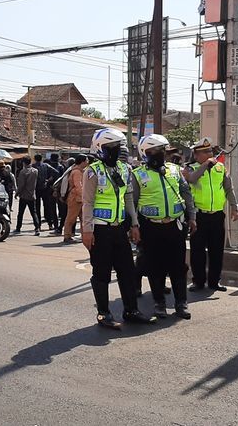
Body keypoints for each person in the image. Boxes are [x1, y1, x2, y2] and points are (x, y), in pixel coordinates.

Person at [81, 128, 155, 329]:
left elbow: (128, 198)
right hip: (100, 230)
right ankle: (103, 314)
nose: (116, 151)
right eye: (111, 147)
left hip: (119, 230)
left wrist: (134, 224)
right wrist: (86, 230)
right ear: (100, 148)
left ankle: (131, 310)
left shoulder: (124, 169)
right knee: (102, 272)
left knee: (127, 271)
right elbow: (87, 202)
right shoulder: (92, 171)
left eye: (118, 147)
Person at [131, 134, 195, 320]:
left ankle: (181, 303)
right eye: (156, 151)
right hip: (150, 227)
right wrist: (134, 225)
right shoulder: (137, 175)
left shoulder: (175, 170)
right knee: (154, 267)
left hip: (175, 226)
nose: (160, 154)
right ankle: (159, 303)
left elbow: (186, 194)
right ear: (146, 153)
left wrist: (192, 217)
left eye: (162, 151)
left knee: (178, 267)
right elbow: (132, 203)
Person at [183, 137, 238, 292]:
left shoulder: (220, 168)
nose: (209, 154)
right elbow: (192, 180)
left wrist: (235, 207)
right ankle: (198, 281)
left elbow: (229, 189)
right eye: (204, 152)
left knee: (216, 250)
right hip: (199, 216)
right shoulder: (189, 168)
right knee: (198, 251)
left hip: (216, 215)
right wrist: (205, 165)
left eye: (210, 151)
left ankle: (215, 281)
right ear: (196, 155)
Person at [63, 154, 88, 244]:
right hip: (75, 198)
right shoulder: (77, 172)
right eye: (86, 160)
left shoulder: (79, 170)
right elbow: (78, 186)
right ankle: (67, 236)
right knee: (71, 218)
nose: (87, 162)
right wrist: (85, 197)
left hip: (79, 199)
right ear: (82, 162)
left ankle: (84, 235)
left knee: (83, 218)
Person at [33, 154, 60, 232]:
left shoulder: (33, 166)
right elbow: (56, 172)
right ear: (41, 159)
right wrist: (49, 180)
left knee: (37, 208)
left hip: (37, 189)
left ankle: (38, 226)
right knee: (47, 206)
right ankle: (50, 224)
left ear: (35, 159)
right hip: (45, 188)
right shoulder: (46, 165)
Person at [15, 156, 41, 236]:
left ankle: (18, 228)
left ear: (23, 163)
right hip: (32, 195)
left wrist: (17, 193)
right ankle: (37, 228)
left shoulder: (23, 172)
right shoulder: (35, 171)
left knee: (20, 213)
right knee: (33, 212)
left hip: (24, 195)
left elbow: (21, 185)